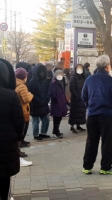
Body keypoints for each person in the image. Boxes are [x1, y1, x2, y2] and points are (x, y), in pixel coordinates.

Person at [82, 55, 112, 175]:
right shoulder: (110, 80)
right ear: (107, 66)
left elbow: (84, 96)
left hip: (92, 114)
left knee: (91, 140)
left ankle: (87, 166)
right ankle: (106, 167)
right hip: (106, 114)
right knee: (106, 141)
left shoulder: (90, 79)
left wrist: (90, 106)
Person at [0, 59, 24, 200]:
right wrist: (17, 138)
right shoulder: (10, 95)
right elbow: (19, 121)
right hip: (6, 144)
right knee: (4, 177)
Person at [15, 68, 34, 156]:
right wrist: (31, 95)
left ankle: (19, 147)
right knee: (22, 131)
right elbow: (26, 99)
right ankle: (18, 150)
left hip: (18, 111)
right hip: (23, 111)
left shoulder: (15, 83)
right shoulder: (22, 86)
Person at [29, 64, 50, 140]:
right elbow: (31, 93)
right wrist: (38, 100)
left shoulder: (42, 81)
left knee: (46, 120)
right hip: (35, 105)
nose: (42, 74)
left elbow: (44, 91)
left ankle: (43, 133)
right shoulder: (32, 82)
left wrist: (46, 98)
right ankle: (36, 135)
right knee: (36, 121)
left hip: (43, 104)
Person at [49, 70, 67, 138]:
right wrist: (57, 99)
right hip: (57, 103)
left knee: (59, 118)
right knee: (56, 118)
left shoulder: (62, 82)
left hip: (61, 103)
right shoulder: (53, 83)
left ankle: (56, 131)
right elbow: (52, 93)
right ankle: (56, 131)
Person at [69, 64, 87, 133]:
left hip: (82, 97)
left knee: (80, 113)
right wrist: (77, 95)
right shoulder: (73, 77)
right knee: (74, 113)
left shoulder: (83, 77)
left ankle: (78, 125)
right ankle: (71, 127)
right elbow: (72, 88)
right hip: (75, 98)